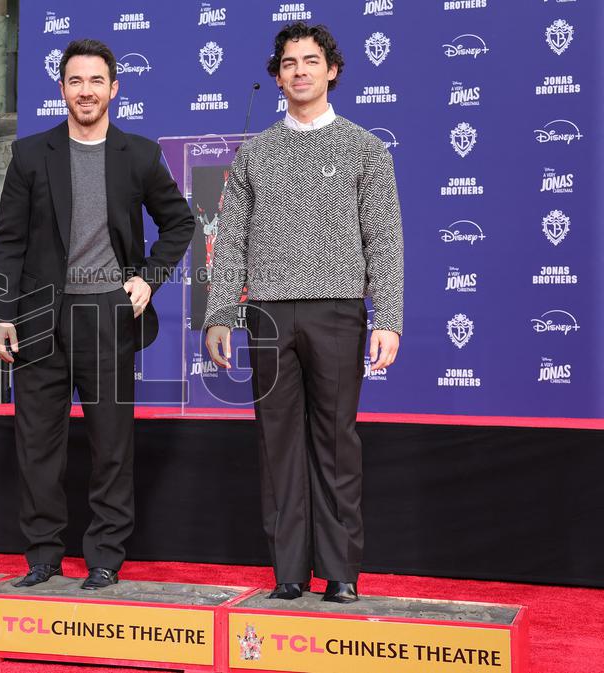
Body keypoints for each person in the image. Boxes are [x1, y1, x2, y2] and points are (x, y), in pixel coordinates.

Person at [204, 22, 403, 604]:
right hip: (266, 315)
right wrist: (220, 313)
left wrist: (386, 316)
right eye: (288, 63)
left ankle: (340, 571)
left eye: (310, 61)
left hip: (339, 312)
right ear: (277, 75)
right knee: (277, 444)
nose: (299, 71)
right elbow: (231, 239)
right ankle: (288, 571)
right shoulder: (255, 152)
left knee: (337, 444)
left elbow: (384, 241)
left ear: (332, 70)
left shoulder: (366, 147)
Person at [0, 38, 194, 590]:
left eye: (96, 81)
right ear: (61, 89)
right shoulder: (31, 155)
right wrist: (0, 314)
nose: (86, 91)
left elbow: (180, 223)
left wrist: (147, 278)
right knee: (38, 446)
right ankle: (43, 554)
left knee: (111, 444)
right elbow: (7, 242)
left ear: (114, 89)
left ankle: (105, 553)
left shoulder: (140, 155)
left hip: (108, 316)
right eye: (75, 81)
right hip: (38, 318)